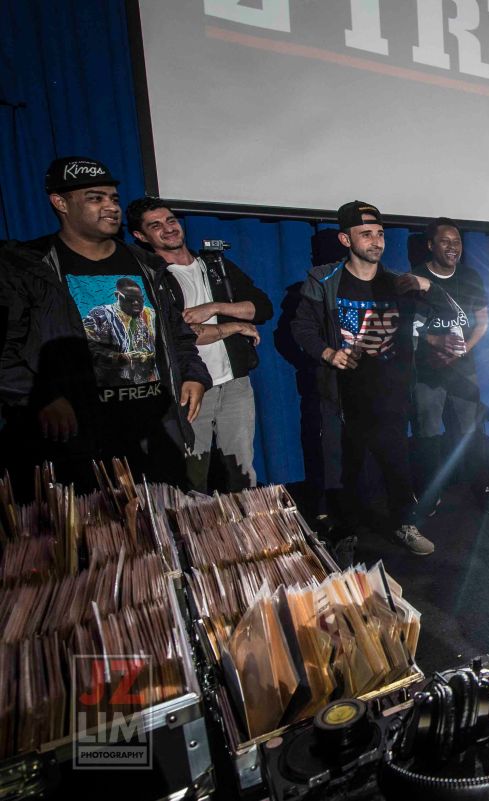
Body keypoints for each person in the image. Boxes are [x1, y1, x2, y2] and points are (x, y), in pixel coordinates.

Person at [0, 156, 208, 489]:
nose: (111, 207)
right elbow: (5, 352)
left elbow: (176, 334)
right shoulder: (28, 267)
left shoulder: (147, 265)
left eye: (113, 198)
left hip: (154, 432)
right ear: (60, 203)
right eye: (95, 198)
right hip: (79, 442)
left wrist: (194, 375)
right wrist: (40, 398)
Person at [290, 201, 436, 555]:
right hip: (342, 393)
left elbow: (445, 312)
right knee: (344, 467)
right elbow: (301, 327)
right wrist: (328, 353)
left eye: (380, 234)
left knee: (396, 463)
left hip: (389, 392)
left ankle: (404, 523)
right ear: (346, 239)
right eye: (366, 234)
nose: (376, 241)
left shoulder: (397, 282)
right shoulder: (324, 280)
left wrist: (428, 287)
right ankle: (344, 530)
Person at [127, 197, 273, 491]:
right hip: (189, 387)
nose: (168, 228)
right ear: (140, 236)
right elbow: (173, 336)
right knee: (193, 474)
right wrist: (234, 326)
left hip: (234, 383)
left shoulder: (214, 264)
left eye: (170, 220)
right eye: (156, 226)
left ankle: (243, 520)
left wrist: (214, 307)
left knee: (242, 470)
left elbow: (261, 308)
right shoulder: (151, 277)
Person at [411, 217, 489, 512]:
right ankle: (429, 495)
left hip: (463, 367)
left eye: (456, 242)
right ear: (430, 245)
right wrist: (434, 343)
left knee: (471, 431)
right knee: (428, 433)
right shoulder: (416, 278)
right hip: (427, 370)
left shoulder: (470, 277)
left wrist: (463, 349)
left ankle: (480, 489)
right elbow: (407, 326)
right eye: (445, 241)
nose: (452, 247)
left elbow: (483, 322)